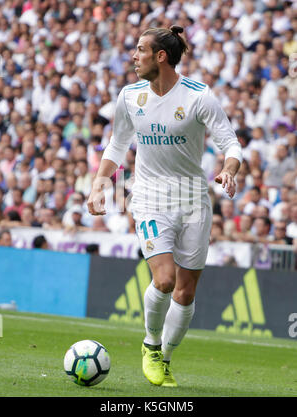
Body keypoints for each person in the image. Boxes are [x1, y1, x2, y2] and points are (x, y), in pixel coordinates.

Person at [87, 26, 242, 387]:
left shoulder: (199, 97)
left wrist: (229, 171)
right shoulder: (129, 96)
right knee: (165, 279)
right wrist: (100, 181)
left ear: (161, 57)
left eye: (140, 50)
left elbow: (231, 145)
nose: (134, 56)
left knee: (186, 293)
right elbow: (117, 144)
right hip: (149, 197)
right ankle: (151, 345)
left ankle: (166, 357)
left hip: (193, 200)